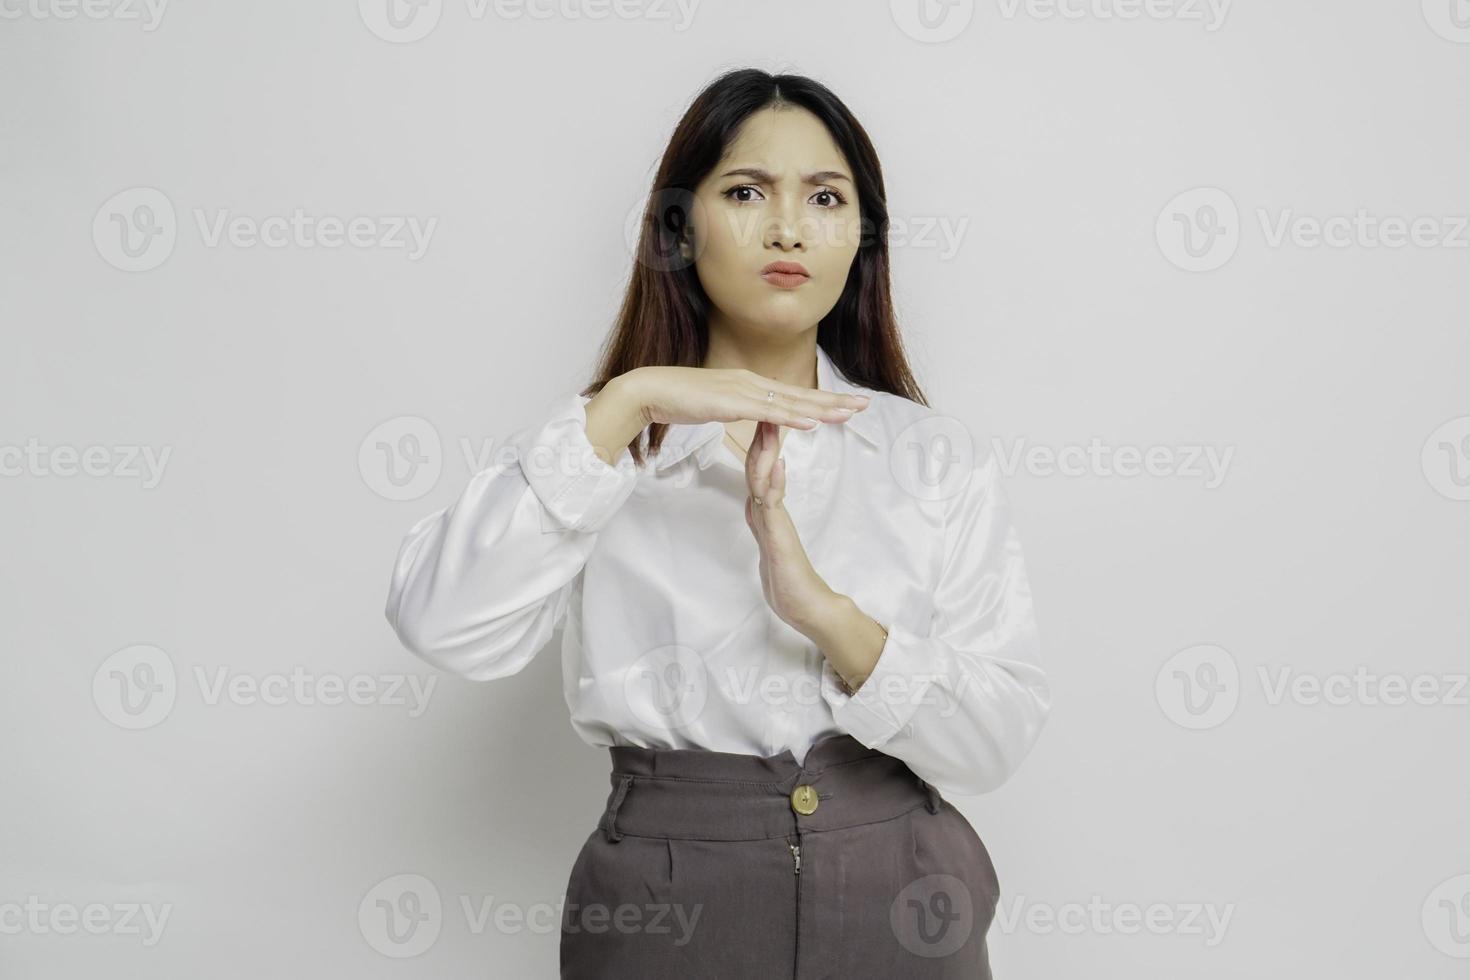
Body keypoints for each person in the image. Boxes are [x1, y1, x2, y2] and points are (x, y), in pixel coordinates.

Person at [383, 67, 1052, 979]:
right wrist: (632, 400)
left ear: (861, 236)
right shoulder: (597, 447)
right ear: (680, 227)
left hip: (905, 897)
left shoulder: (933, 456)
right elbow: (440, 625)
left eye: (825, 197)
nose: (787, 228)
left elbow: (994, 739)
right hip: (668, 911)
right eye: (745, 192)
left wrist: (825, 614)